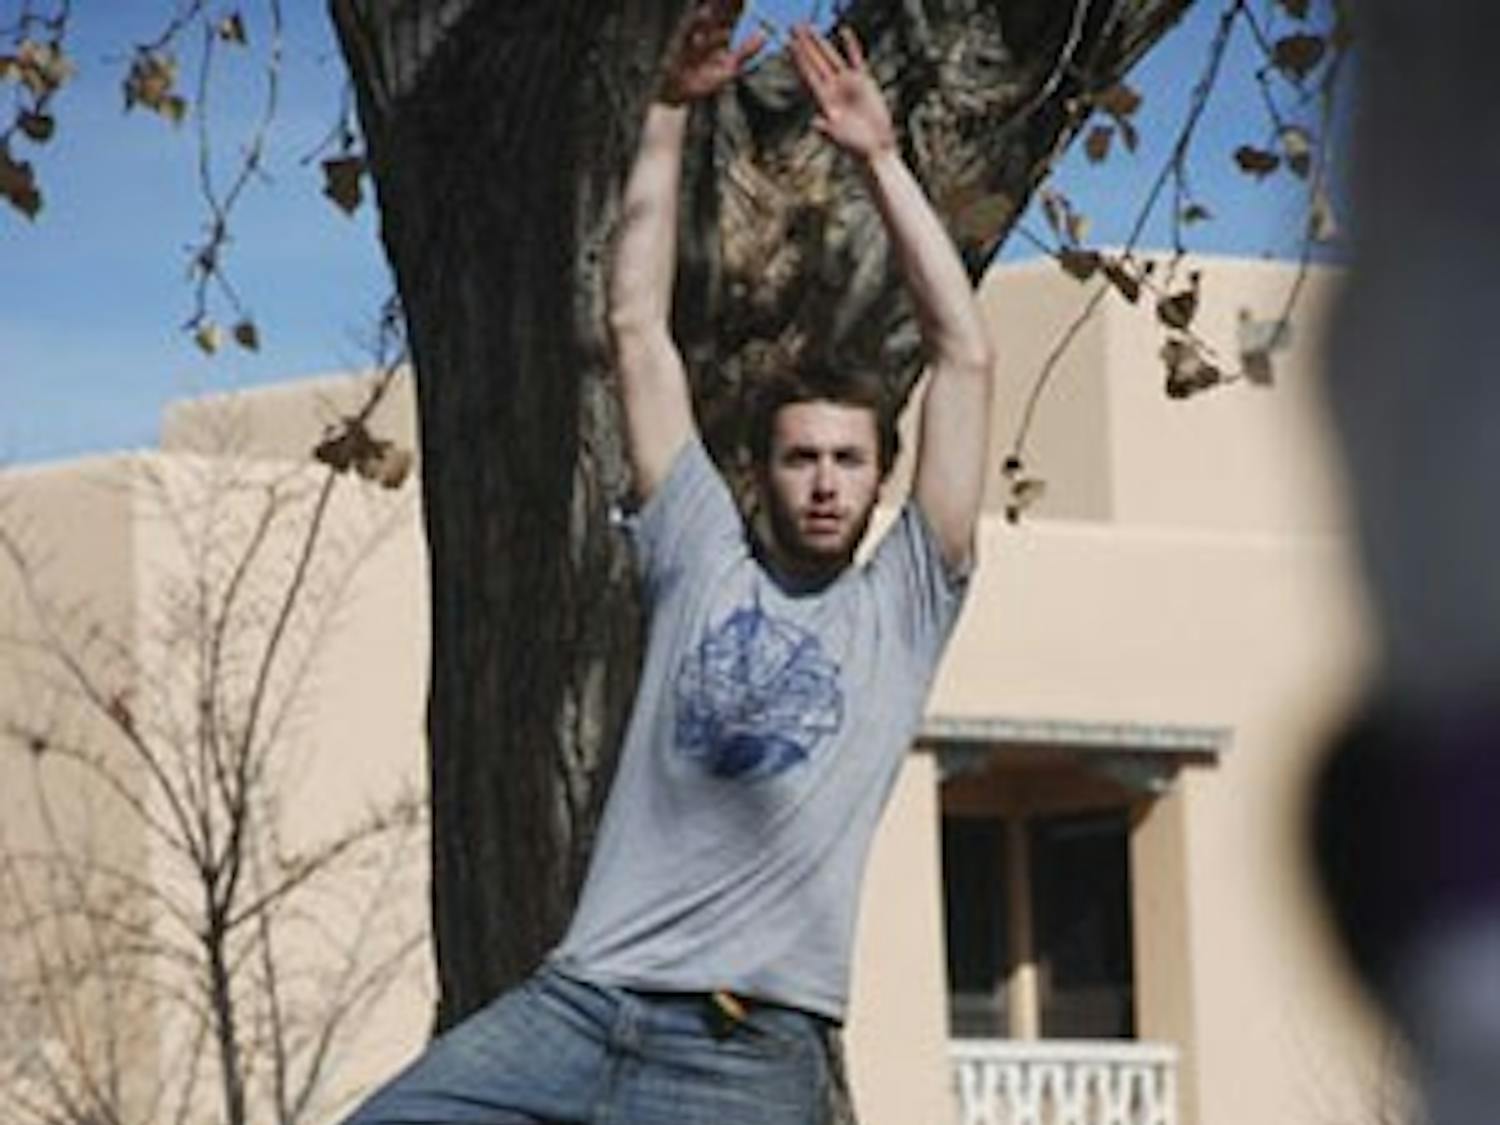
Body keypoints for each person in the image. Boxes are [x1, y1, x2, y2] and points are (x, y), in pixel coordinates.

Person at [343, 3, 992, 1122]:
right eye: (801, 460)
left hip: (748, 1049)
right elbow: (636, 330)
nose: (827, 481)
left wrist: (881, 159)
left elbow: (964, 353)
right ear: (762, 474)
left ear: (882, 477)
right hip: (580, 1009)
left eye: (849, 460)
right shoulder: (700, 553)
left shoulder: (907, 602)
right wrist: (663, 118)